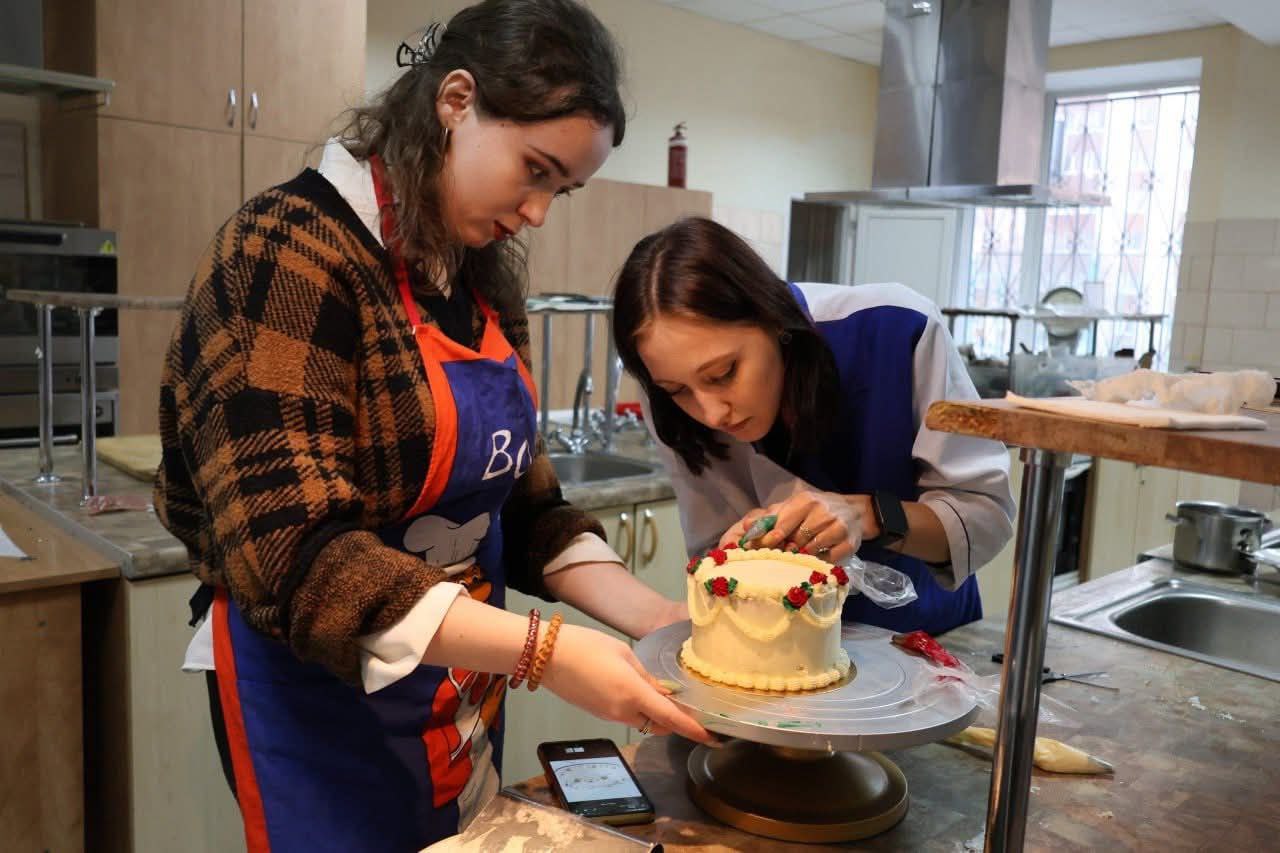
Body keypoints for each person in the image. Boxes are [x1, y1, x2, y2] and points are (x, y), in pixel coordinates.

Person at [154, 3, 709, 850]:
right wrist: (548, 652)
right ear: (455, 101)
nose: (538, 212)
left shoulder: (482, 281)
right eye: (534, 170)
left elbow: (527, 510)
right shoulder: (286, 251)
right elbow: (297, 557)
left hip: (457, 691)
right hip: (320, 705)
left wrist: (662, 620)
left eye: (560, 189)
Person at [612, 217, 1015, 635]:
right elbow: (712, 548)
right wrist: (741, 554)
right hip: (783, 645)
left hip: (926, 636)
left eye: (724, 373)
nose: (712, 414)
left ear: (772, 318)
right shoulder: (668, 396)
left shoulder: (895, 329)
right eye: (678, 390)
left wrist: (870, 516)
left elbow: (985, 517)